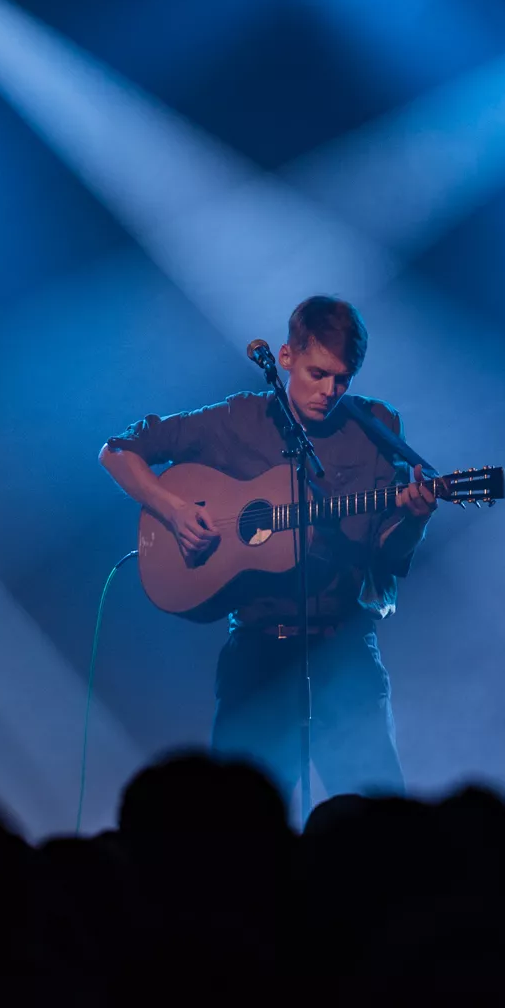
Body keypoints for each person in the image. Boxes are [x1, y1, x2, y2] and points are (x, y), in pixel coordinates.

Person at [99, 296, 436, 807]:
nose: (330, 391)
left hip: (345, 651)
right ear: (285, 357)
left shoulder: (377, 428)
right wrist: (172, 510)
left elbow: (386, 554)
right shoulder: (235, 419)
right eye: (318, 374)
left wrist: (415, 516)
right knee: (239, 830)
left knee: (376, 825)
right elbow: (118, 451)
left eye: (343, 379)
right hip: (258, 651)